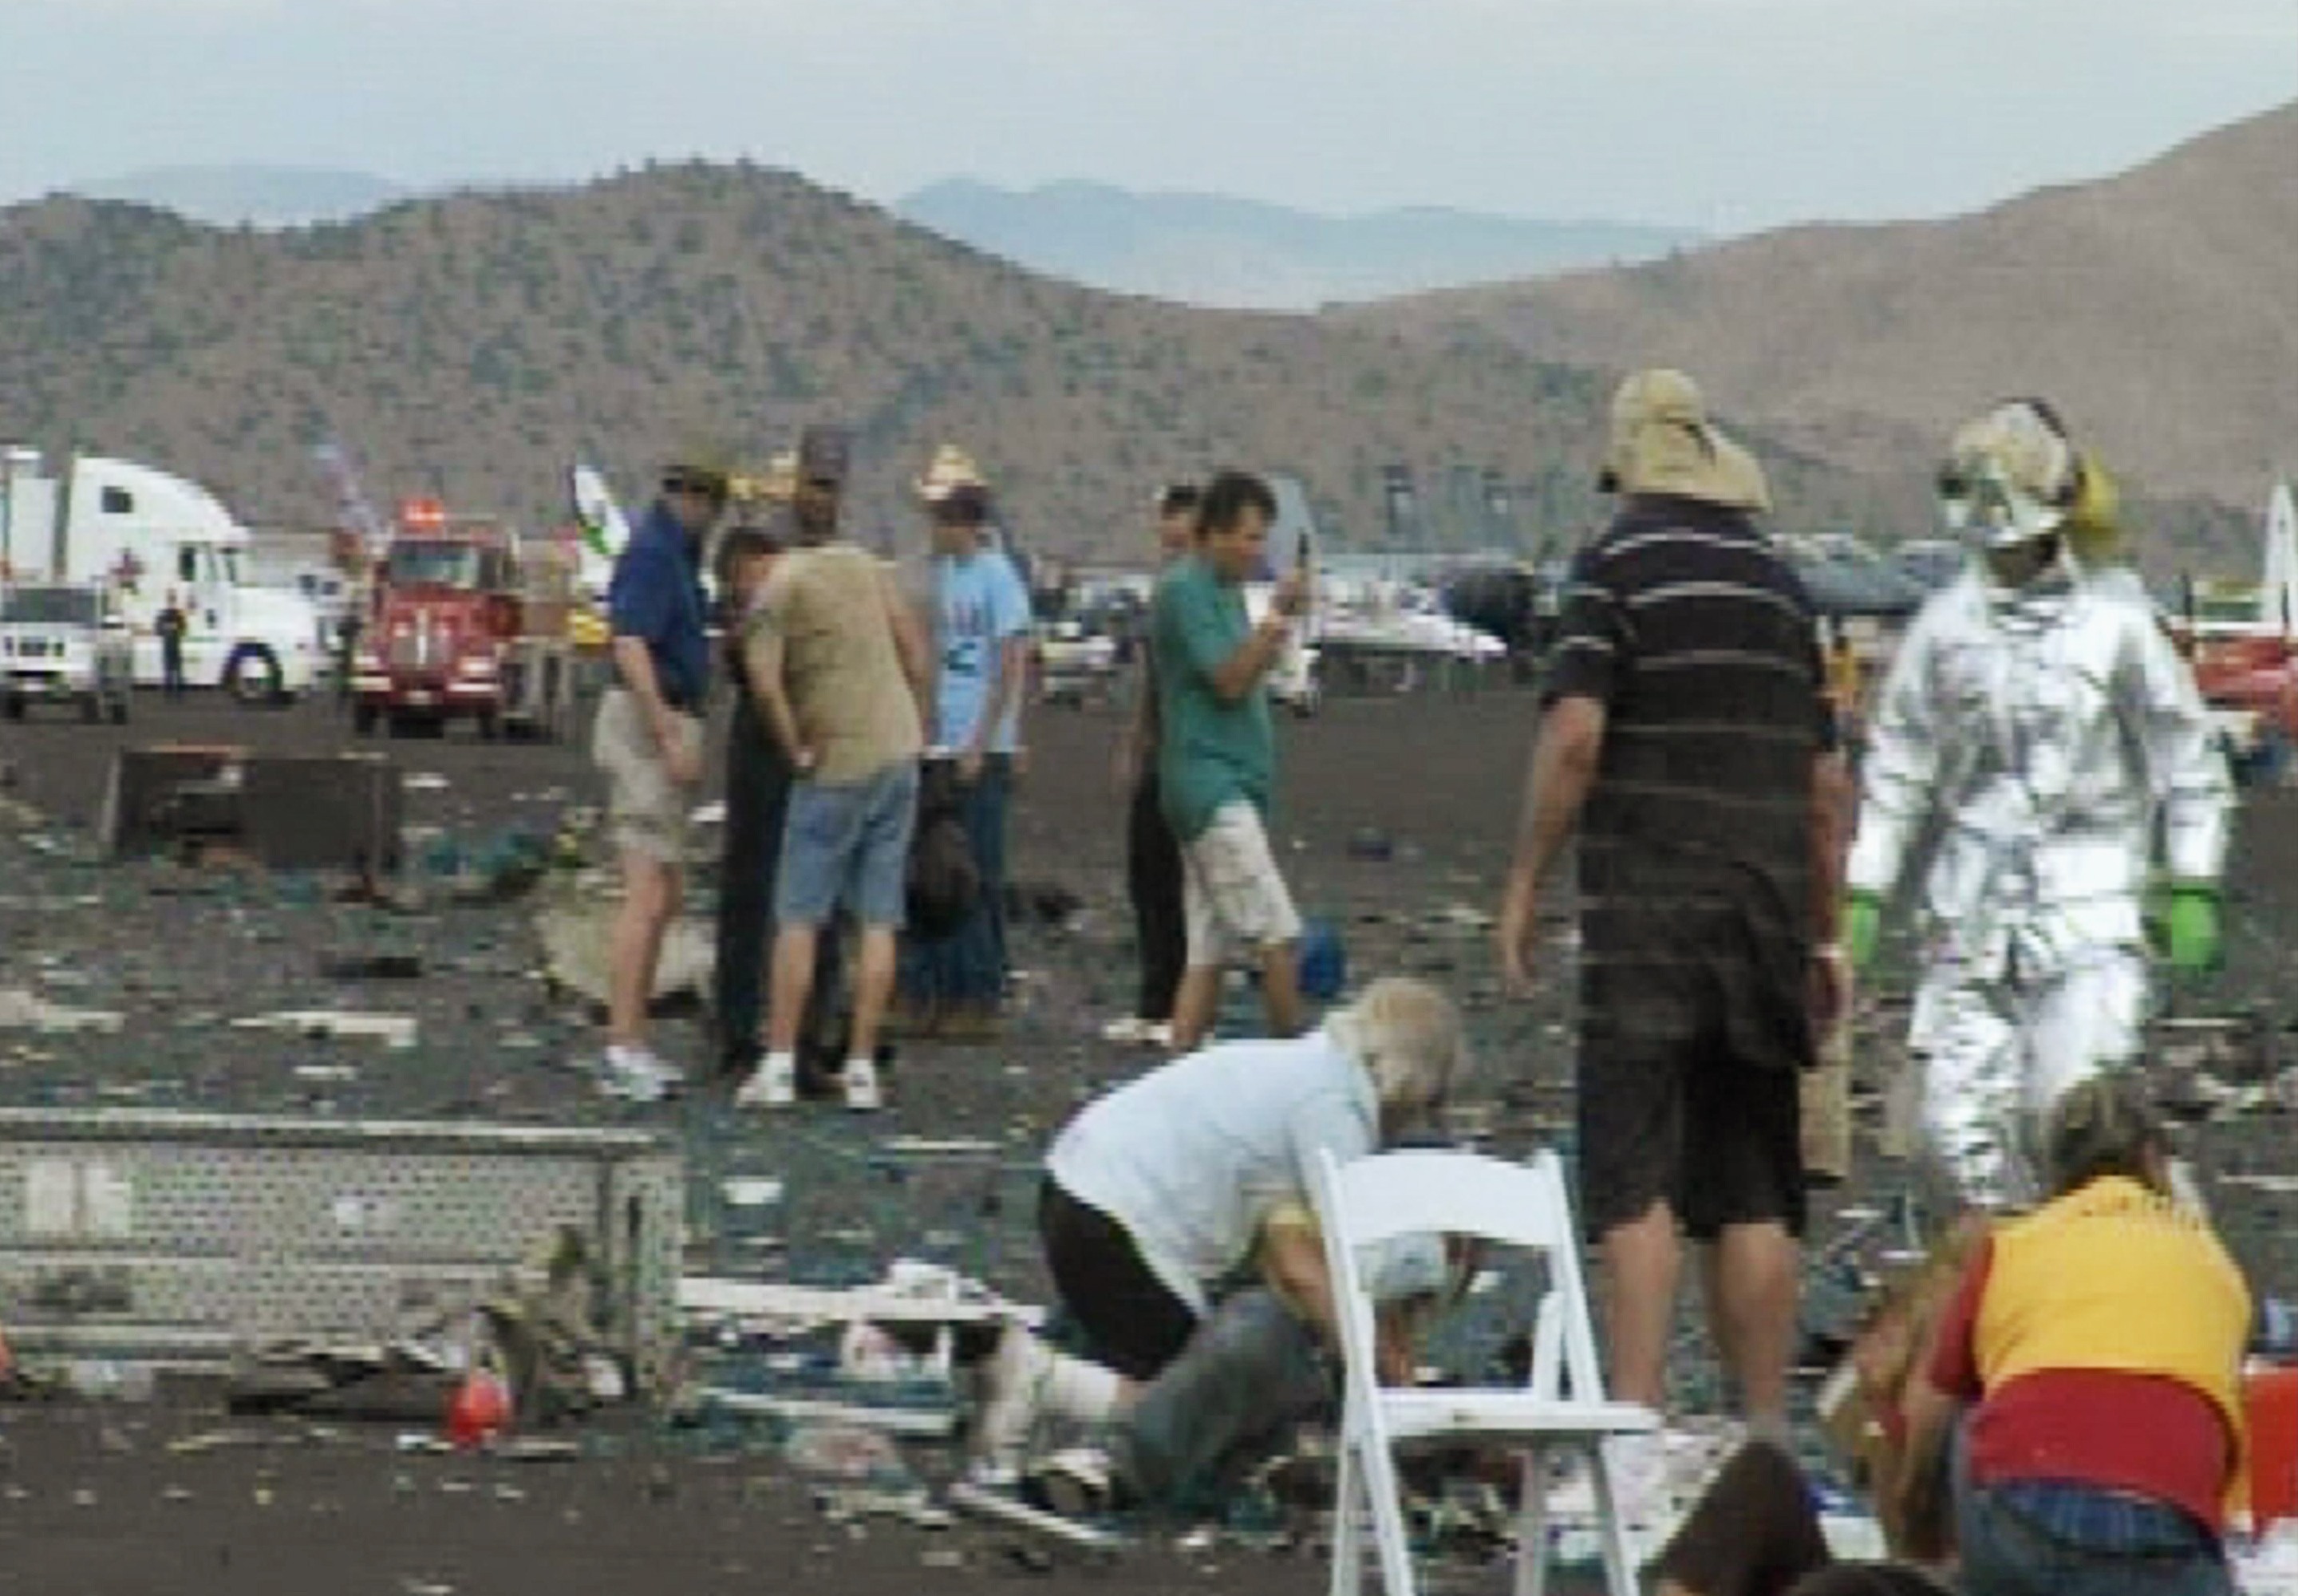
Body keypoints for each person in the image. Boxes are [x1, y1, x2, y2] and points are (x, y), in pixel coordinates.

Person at [1495, 369, 1848, 1507]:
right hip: (1765, 917)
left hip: (1648, 910)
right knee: (1754, 1184)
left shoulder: (1610, 570)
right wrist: (1826, 936)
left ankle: (1637, 1438)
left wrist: (1522, 885)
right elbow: (1824, 786)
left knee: (1635, 1174)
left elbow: (1578, 735)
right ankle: (1762, 1447)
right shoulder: (1785, 589)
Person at [1842, 398, 2231, 1215]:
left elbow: (2187, 755)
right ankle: (2014, 1290)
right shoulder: (1946, 628)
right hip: (1970, 913)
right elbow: (1901, 759)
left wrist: (2193, 878)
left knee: (2073, 1114)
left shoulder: (2118, 625)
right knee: (1955, 1131)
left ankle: (2136, 1280)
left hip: (2090, 907)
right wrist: (1868, 882)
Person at [968, 976, 1468, 1487]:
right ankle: (1050, 1386)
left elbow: (1290, 1241)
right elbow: (1321, 1267)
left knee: (1184, 1371)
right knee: (1211, 1404)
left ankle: (1048, 1383)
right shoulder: (1334, 1109)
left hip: (1078, 1184)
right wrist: (1376, 1375)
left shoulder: (1296, 1068)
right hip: (1125, 1219)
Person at [1896, 1073, 2250, 1595]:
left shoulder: (2014, 1245)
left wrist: (1909, 1535)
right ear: (2155, 1159)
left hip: (2021, 1527)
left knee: (1970, 1402)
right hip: (2165, 1546)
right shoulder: (2215, 1264)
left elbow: (1927, 1409)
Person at [736, 426, 930, 1112]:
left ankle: (782, 1060)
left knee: (800, 915)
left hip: (836, 762)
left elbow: (762, 683)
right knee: (879, 918)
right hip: (896, 753)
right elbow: (916, 655)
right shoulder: (869, 569)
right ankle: (859, 1069)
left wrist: (794, 749)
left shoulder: (783, 583)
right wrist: (919, 728)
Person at [1153, 470, 1310, 1053]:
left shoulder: (1219, 591)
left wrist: (1277, 623)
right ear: (1213, 532)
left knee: (1207, 950)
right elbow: (1228, 678)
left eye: (1262, 538)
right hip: (1209, 786)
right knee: (1279, 936)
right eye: (1247, 537)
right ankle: (1295, 1069)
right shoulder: (1185, 592)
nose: (1256, 550)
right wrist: (1275, 622)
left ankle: (1177, 1073)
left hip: (1227, 781)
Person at [592, 448, 725, 1100]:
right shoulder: (652, 553)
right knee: (646, 890)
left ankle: (634, 1037)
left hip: (665, 718)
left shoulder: (676, 556)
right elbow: (630, 641)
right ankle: (621, 1043)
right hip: (648, 721)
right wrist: (667, 729)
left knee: (665, 890)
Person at [897, 446, 1033, 1041]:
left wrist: (984, 738)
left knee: (973, 870)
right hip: (937, 740)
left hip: (980, 743)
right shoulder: (936, 577)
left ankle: (976, 991)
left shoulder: (996, 577)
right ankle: (925, 988)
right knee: (929, 869)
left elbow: (1010, 662)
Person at [1102, 484, 1199, 1049]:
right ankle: (1154, 1002)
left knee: (1180, 886)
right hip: (1160, 752)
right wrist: (1134, 742)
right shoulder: (1165, 593)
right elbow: (1152, 682)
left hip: (1189, 756)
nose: (1172, 537)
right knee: (1148, 877)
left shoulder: (1204, 595)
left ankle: (1178, 1006)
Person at [156, 591, 188, 699]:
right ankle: (171, 693)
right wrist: (169, 628)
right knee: (170, 670)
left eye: (172, 599)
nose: (171, 601)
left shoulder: (177, 614)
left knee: (175, 670)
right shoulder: (164, 614)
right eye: (170, 599)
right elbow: (158, 630)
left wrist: (172, 628)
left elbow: (183, 629)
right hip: (170, 644)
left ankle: (176, 693)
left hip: (173, 644)